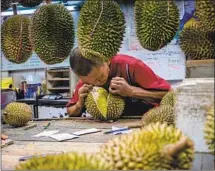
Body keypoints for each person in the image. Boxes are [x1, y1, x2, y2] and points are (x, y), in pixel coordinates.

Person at [66, 47, 172, 117]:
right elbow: (70, 111)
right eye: (92, 82)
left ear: (106, 60)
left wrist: (131, 91)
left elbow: (170, 93)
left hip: (148, 122)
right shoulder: (86, 81)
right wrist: (79, 104)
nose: (98, 83)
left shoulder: (131, 66)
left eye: (100, 77)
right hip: (107, 130)